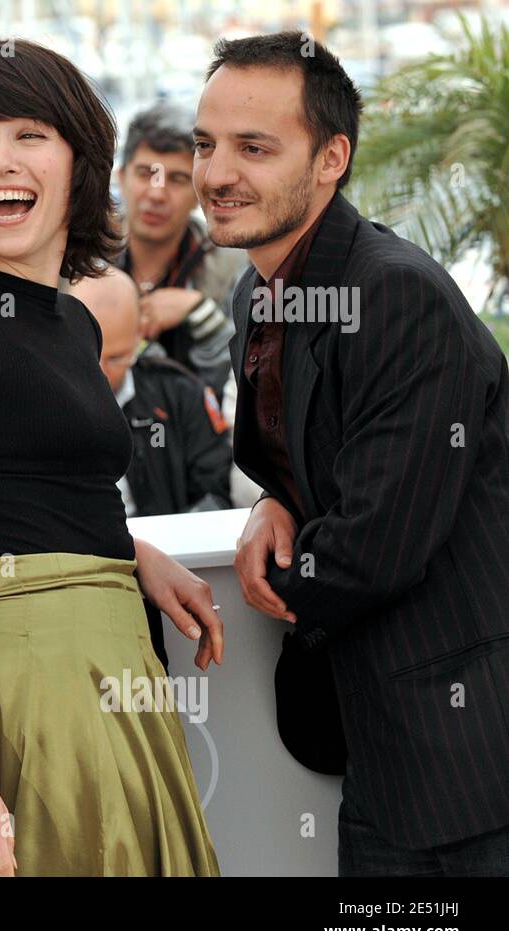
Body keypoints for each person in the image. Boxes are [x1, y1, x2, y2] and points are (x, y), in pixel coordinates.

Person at [0, 39, 223, 877]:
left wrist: (126, 554)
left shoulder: (75, 320)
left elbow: (8, 480)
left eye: (29, 134)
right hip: (28, 686)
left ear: (78, 158)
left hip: (120, 669)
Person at [196, 32, 509, 875]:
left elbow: (375, 543)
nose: (216, 172)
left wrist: (276, 582)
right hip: (377, 743)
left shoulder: (394, 292)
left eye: (253, 147)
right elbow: (302, 450)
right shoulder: (257, 289)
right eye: (206, 144)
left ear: (332, 157)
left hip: (465, 760)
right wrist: (277, 500)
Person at [70, 265, 232, 517]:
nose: (100, 373)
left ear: (139, 338)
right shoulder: (32, 401)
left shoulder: (181, 396)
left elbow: (217, 493)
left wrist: (171, 544)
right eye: (88, 357)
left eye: (116, 358)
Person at [112, 101, 247, 398]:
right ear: (121, 177)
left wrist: (200, 314)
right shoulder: (82, 256)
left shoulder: (234, 267)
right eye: (146, 173)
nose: (157, 193)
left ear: (199, 190)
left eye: (177, 179)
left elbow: (240, 384)